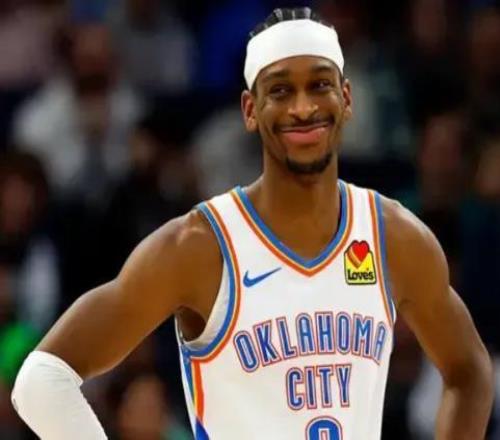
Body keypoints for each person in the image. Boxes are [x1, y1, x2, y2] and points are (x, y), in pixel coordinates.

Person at [11, 7, 493, 440]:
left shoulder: (394, 236)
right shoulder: (199, 245)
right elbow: (42, 379)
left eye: (319, 85)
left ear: (346, 98)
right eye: (280, 90)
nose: (302, 107)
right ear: (249, 109)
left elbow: (469, 371)